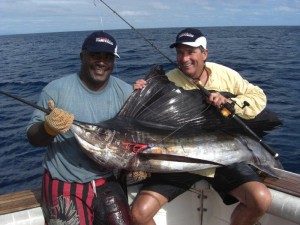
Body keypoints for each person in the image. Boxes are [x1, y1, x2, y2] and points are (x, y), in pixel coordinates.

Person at [131, 28, 271, 225]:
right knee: (138, 215)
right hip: (180, 161)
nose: (184, 58)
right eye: (180, 52)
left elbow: (258, 97)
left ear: (204, 53)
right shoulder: (167, 81)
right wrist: (140, 94)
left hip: (222, 159)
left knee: (260, 200)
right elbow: (145, 121)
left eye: (191, 52)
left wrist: (231, 104)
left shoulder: (226, 75)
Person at [27, 31, 133, 225]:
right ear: (82, 56)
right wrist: (48, 129)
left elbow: (136, 138)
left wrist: (137, 164)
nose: (101, 62)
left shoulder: (126, 92)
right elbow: (33, 138)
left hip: (108, 181)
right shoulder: (55, 90)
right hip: (65, 181)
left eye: (108, 57)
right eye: (95, 56)